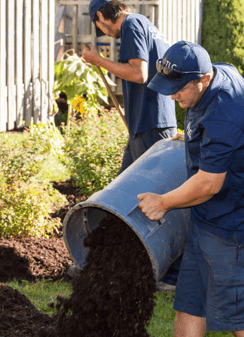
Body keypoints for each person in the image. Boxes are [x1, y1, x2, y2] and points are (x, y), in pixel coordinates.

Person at [138, 41, 244, 337]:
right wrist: (200, 139)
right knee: (190, 305)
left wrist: (162, 202)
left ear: (203, 79)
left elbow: (209, 183)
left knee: (239, 319)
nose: (173, 96)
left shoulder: (223, 115)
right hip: (207, 219)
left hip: (236, 225)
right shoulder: (223, 71)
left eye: (179, 89)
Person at [69, 0, 180, 289]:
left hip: (150, 123)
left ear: (101, 16)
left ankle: (170, 272)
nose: (104, 32)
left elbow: (138, 73)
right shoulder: (144, 23)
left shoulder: (131, 25)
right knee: (119, 195)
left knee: (157, 197)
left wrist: (98, 60)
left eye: (100, 27)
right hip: (148, 122)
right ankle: (103, 261)